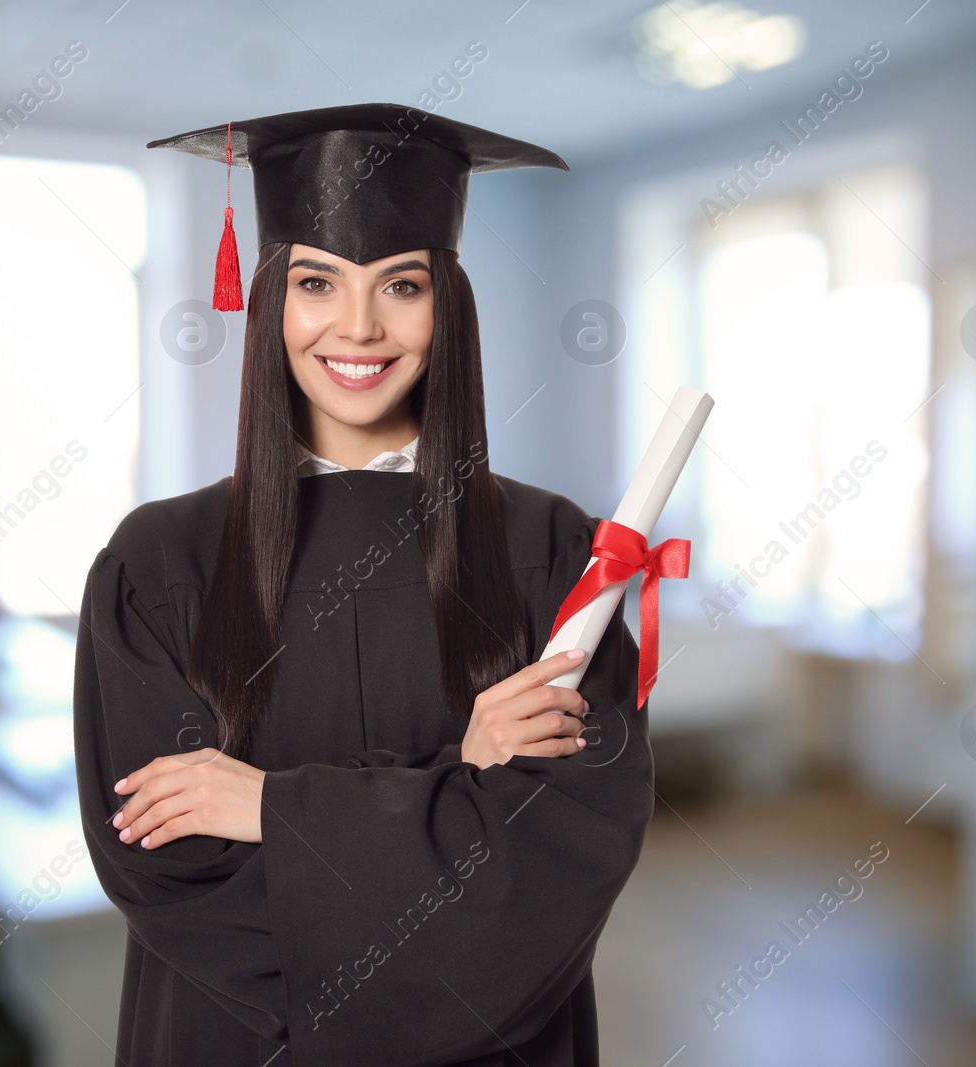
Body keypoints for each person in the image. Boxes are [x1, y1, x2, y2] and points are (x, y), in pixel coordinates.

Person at [72, 103, 654, 1066]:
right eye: (316, 281)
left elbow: (562, 861)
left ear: (448, 304)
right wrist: (456, 790)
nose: (357, 326)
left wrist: (267, 805)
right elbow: (165, 868)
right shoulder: (159, 561)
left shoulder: (554, 548)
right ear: (270, 298)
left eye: (402, 285)